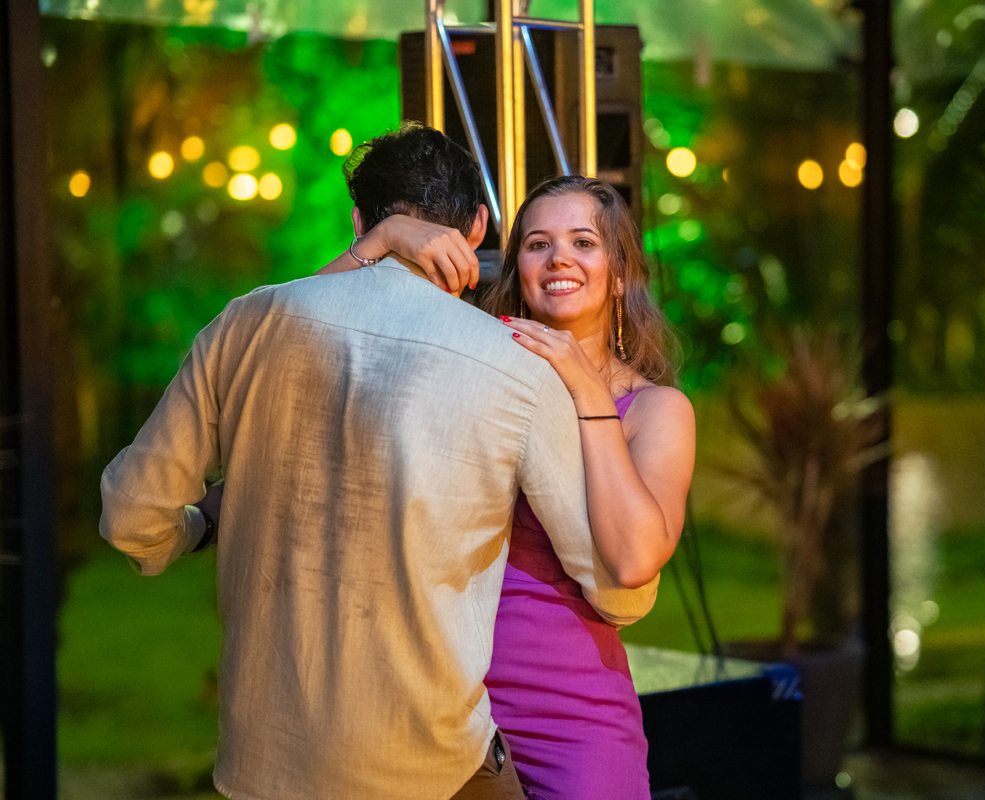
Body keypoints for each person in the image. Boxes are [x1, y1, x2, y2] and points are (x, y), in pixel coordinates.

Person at [99, 125, 656, 800]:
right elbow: (624, 589)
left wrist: (188, 530)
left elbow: (131, 516)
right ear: (479, 224)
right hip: (430, 768)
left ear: (360, 220)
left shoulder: (245, 323)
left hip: (262, 765)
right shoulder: (517, 368)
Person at [337, 175, 696, 800]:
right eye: (537, 244)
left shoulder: (654, 409)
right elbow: (306, 329)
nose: (559, 258)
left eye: (584, 242)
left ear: (618, 275)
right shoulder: (474, 367)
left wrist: (585, 387)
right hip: (447, 709)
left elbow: (636, 556)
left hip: (573, 718)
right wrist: (384, 237)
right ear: (518, 267)